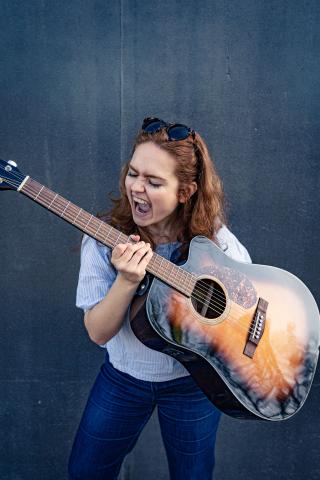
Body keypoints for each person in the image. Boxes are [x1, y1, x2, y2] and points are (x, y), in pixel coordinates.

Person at [68, 117, 251, 480]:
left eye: (153, 182)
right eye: (133, 173)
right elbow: (98, 333)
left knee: (193, 475)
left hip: (195, 383)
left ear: (185, 191)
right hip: (124, 379)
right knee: (86, 472)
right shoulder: (104, 239)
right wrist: (125, 281)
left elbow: (248, 298)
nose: (136, 187)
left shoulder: (213, 241)